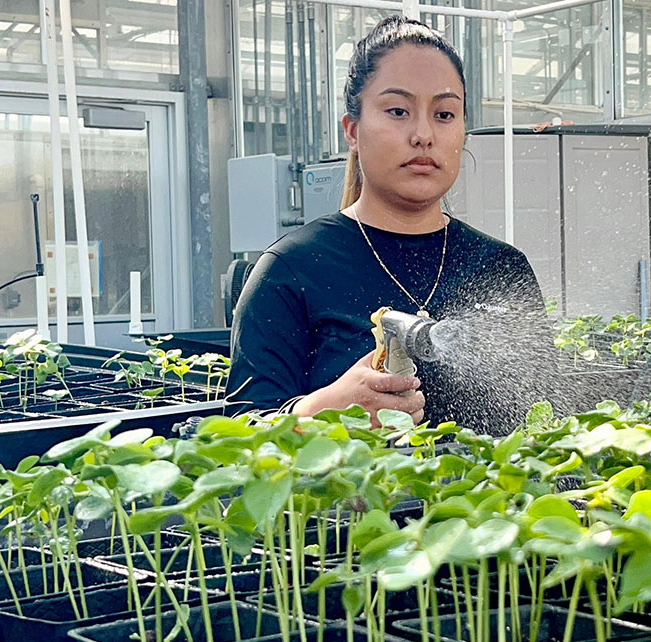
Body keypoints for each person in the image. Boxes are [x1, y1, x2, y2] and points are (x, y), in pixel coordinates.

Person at [226, 16, 554, 434]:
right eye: (398, 111)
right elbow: (239, 440)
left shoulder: (503, 269)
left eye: (444, 114)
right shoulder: (291, 271)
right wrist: (322, 415)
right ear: (352, 131)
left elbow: (543, 425)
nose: (423, 134)